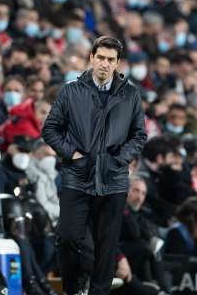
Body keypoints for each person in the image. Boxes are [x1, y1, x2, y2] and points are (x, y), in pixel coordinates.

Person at [42, 36, 147, 295]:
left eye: (111, 60)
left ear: (118, 63)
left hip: (114, 180)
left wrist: (120, 159)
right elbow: (50, 129)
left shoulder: (130, 94)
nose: (105, 64)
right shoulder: (70, 91)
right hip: (77, 177)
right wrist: (72, 155)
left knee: (106, 246)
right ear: (91, 58)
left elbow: (139, 135)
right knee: (67, 236)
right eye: (100, 57)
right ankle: (72, 287)